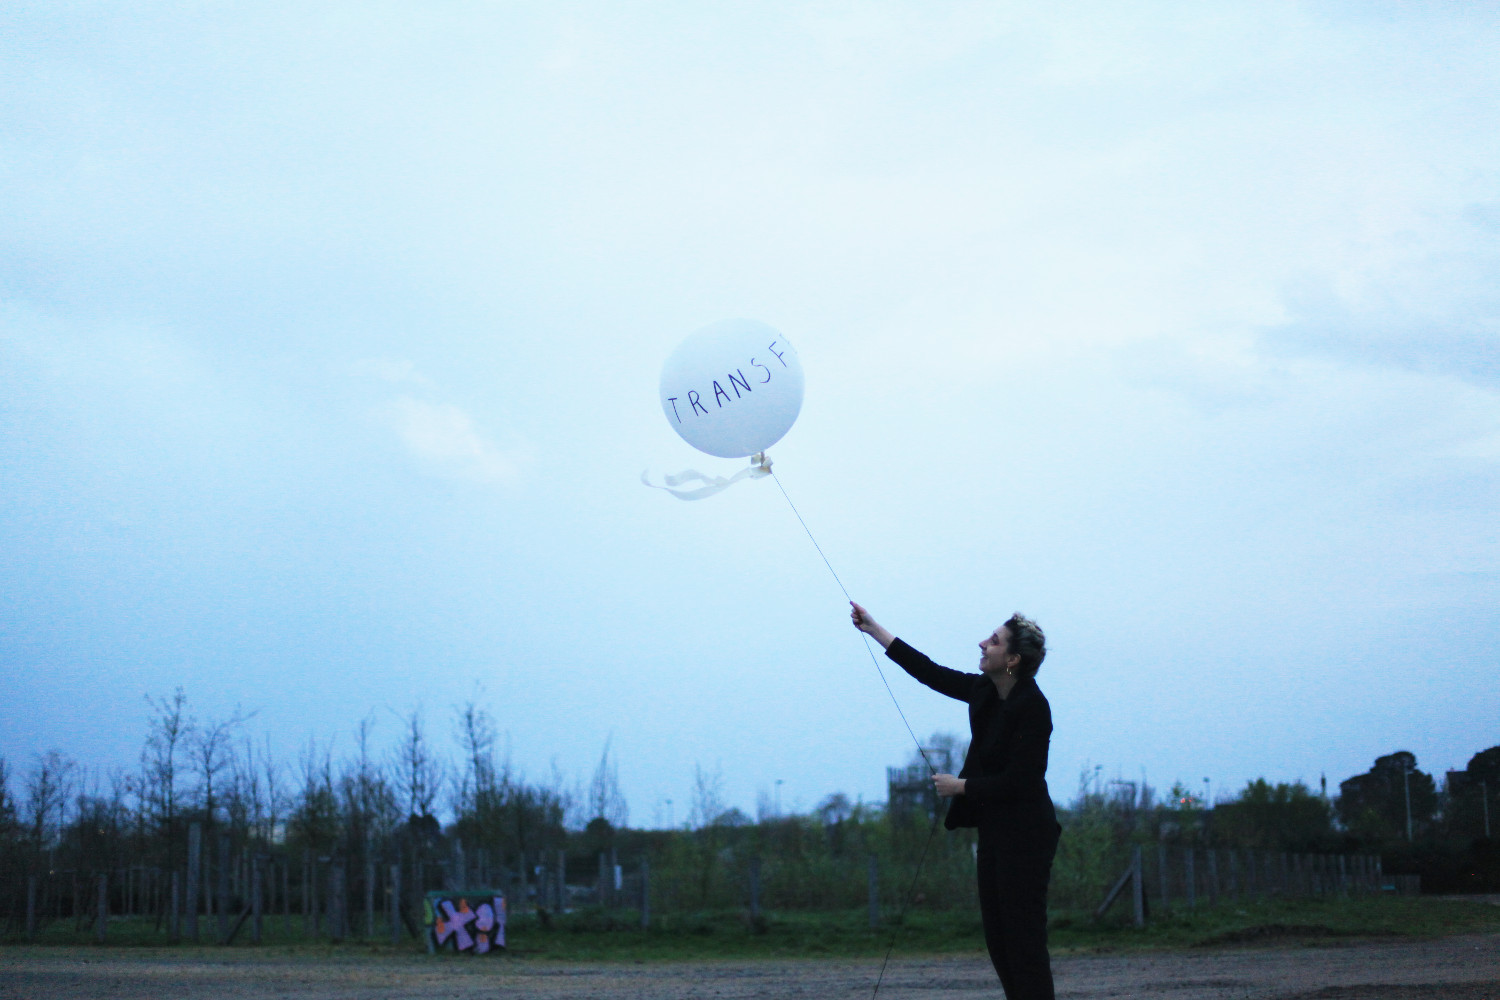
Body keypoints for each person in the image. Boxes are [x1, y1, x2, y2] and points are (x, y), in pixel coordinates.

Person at [851, 600, 1061, 1000]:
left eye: (994, 641)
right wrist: (875, 630)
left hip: (1028, 837)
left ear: (1013, 659)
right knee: (999, 941)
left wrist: (961, 787)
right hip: (995, 831)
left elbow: (1023, 781)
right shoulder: (985, 690)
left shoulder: (1033, 706)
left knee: (1024, 943)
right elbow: (930, 672)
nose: (983, 644)